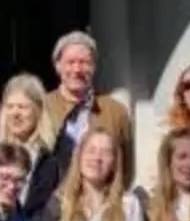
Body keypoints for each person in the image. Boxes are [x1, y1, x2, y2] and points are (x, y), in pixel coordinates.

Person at [45, 30, 134, 183]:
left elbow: (126, 166)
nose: (77, 70)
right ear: (57, 66)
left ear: (94, 66)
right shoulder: (42, 107)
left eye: (84, 62)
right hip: (53, 201)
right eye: (70, 62)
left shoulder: (115, 111)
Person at [0, 74, 60, 216]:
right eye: (10, 107)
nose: (15, 113)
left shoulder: (53, 159)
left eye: (22, 107)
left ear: (38, 111)